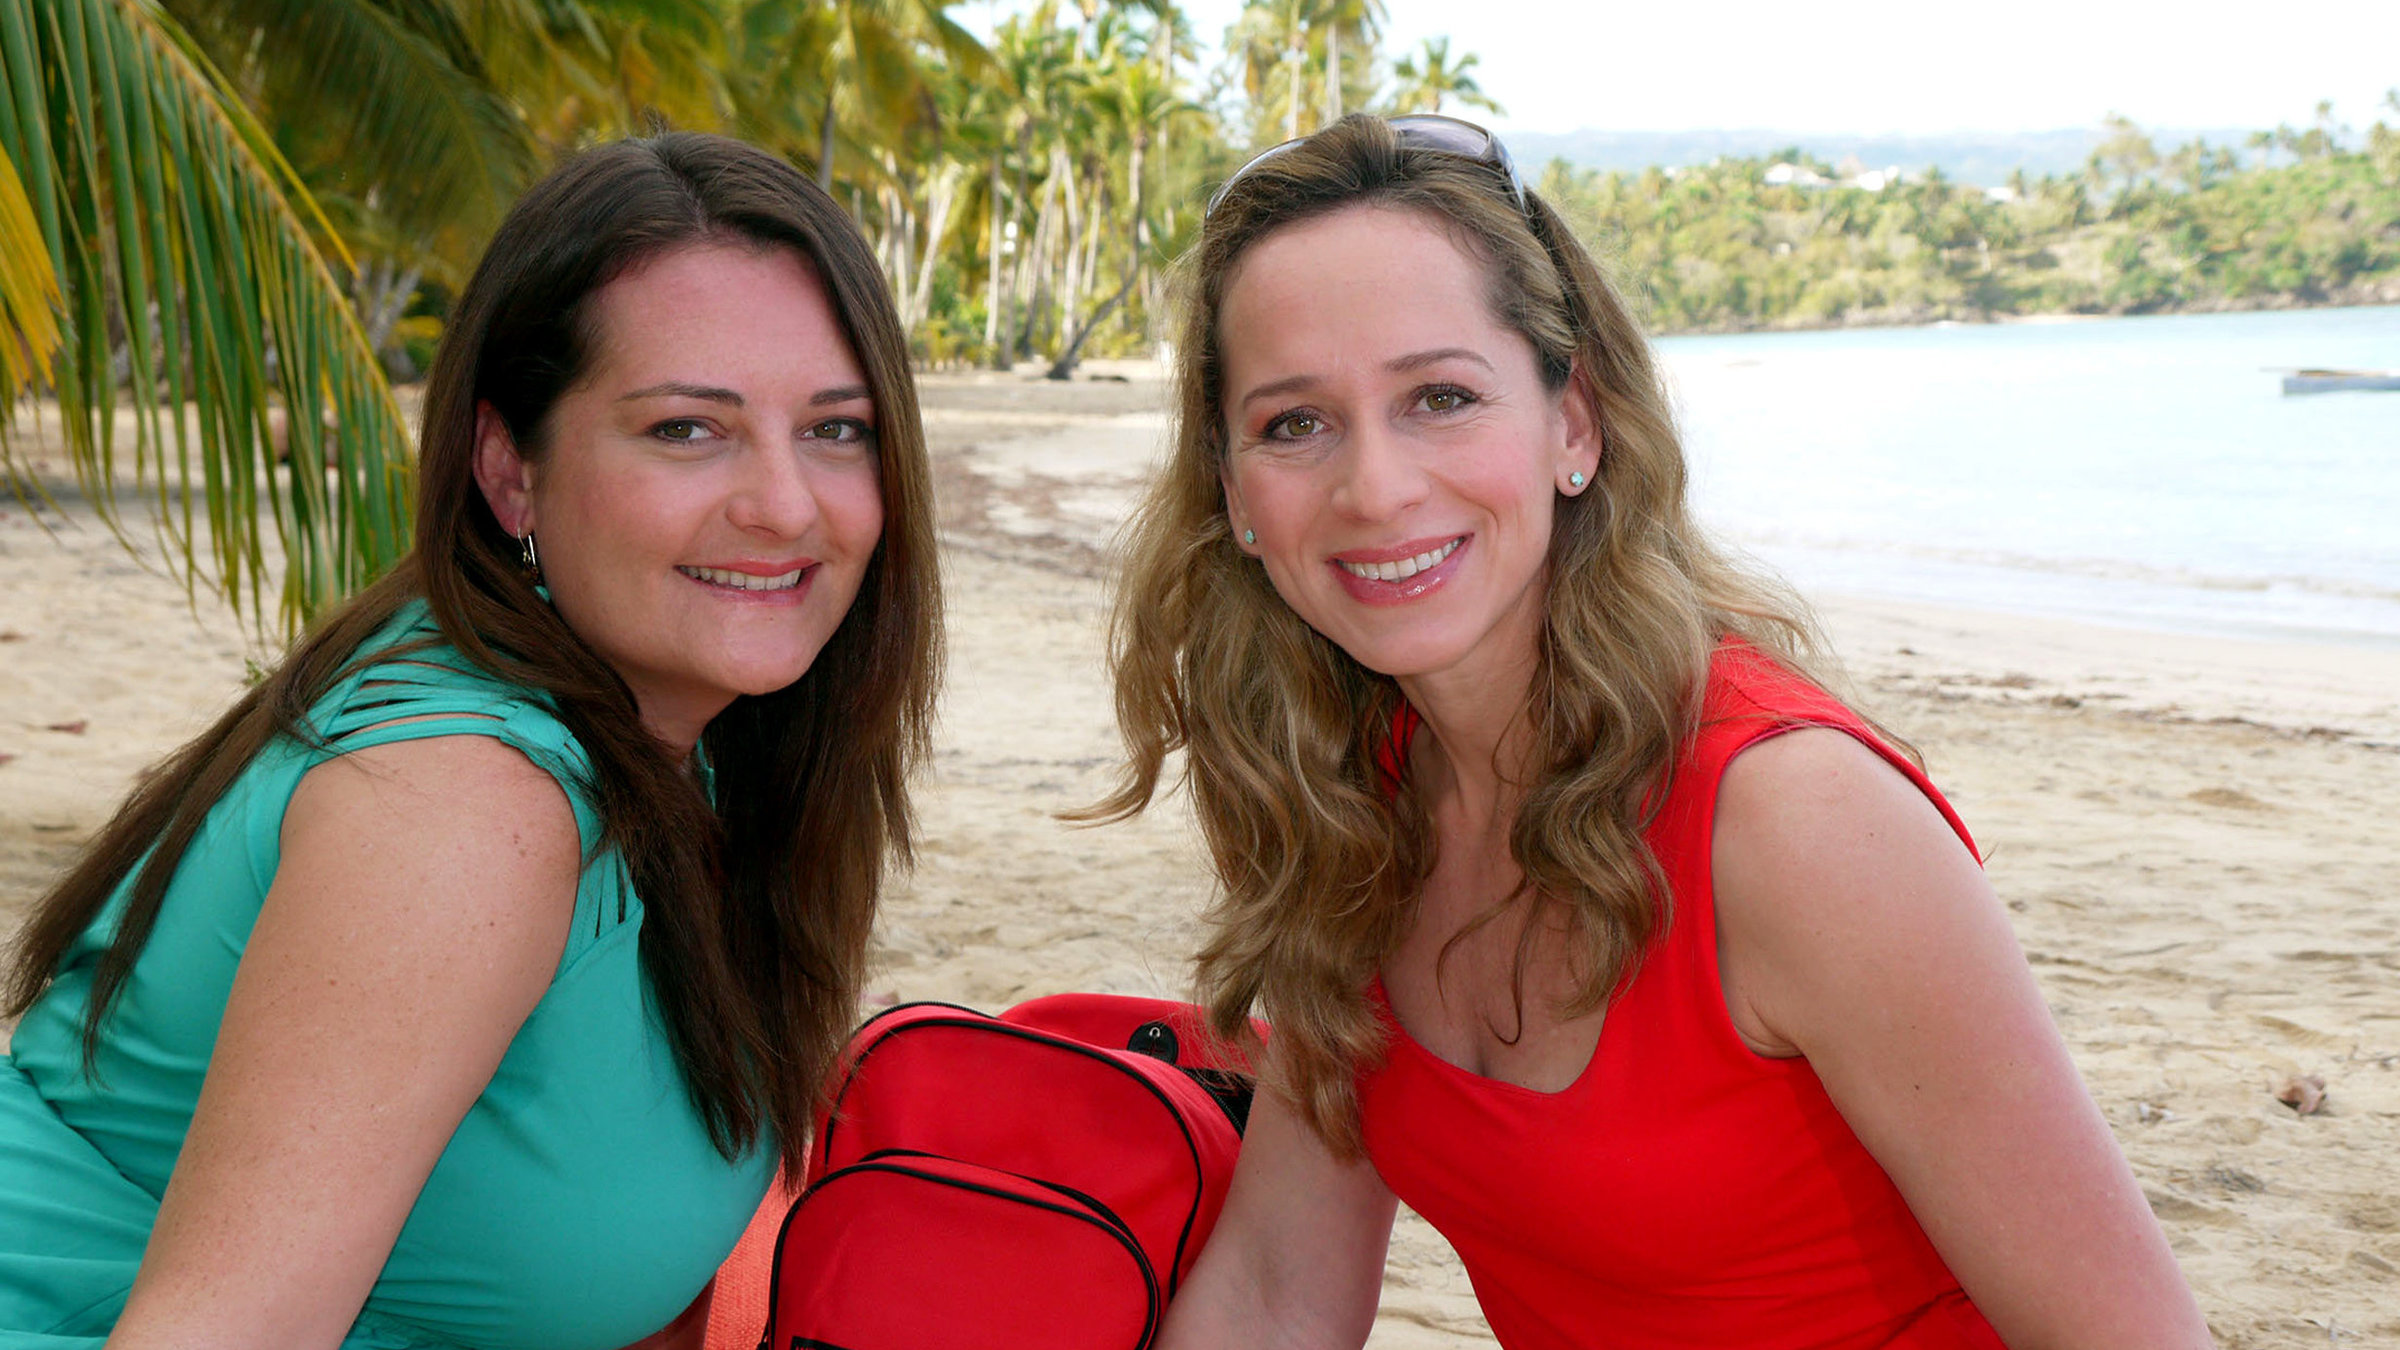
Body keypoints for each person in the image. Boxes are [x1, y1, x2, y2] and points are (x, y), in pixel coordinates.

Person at [1092, 114, 2212, 1349]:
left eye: (1441, 397)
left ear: (1576, 424)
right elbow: (1277, 1289)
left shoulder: (1793, 824)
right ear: (1234, 493)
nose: (1376, 487)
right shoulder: (1351, 801)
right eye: (1295, 423)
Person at [0, 132, 940, 1350]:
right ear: (510, 472)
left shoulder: (694, 751)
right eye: (685, 431)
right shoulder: (461, 808)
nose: (784, 505)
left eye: (836, 429)